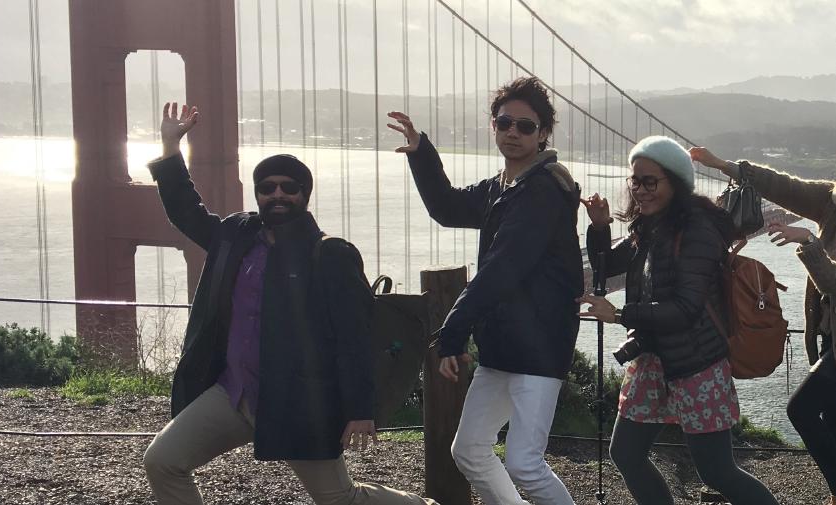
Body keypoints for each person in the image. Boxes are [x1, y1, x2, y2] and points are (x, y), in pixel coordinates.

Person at [142, 102, 434, 505]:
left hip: (299, 402)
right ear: (258, 194)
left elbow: (354, 338)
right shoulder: (236, 236)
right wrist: (171, 146)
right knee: (163, 460)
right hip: (233, 393)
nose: (278, 194)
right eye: (268, 187)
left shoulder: (330, 255)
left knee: (339, 500)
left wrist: (359, 409)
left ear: (304, 195)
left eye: (289, 187)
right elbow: (187, 213)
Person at [689, 122, 836, 505]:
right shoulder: (833, 202)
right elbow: (784, 185)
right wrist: (726, 166)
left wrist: (808, 240)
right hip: (832, 338)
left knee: (801, 411)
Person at [387, 76, 581, 505]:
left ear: (544, 133)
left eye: (525, 126)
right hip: (502, 343)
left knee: (525, 464)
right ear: (493, 126)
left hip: (540, 346)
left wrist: (454, 330)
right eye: (504, 122)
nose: (513, 132)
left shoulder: (543, 192)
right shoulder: (502, 186)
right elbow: (447, 207)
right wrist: (422, 153)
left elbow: (502, 268)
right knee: (470, 451)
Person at [577, 136, 780, 505]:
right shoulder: (648, 227)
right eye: (634, 180)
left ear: (676, 183)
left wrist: (621, 314)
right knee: (625, 453)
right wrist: (600, 226)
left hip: (697, 363)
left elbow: (686, 309)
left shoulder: (698, 230)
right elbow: (605, 267)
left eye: (650, 181)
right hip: (652, 359)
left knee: (716, 471)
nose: (640, 190)